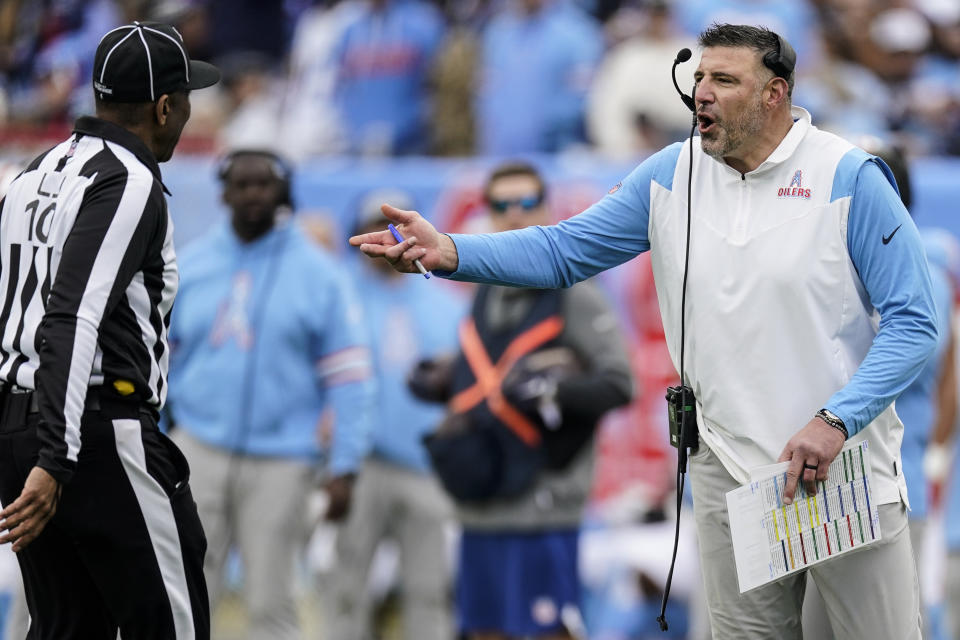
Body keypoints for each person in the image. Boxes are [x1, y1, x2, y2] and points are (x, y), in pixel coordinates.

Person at [352, 24, 939, 639]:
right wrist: (450, 249)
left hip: (834, 469)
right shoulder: (670, 174)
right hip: (729, 471)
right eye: (700, 77)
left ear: (775, 94)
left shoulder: (849, 176)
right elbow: (563, 251)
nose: (702, 94)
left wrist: (836, 418)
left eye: (725, 80)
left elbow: (915, 321)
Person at [0, 21, 219, 639]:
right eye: (185, 99)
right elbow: (73, 316)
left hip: (21, 426)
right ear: (164, 105)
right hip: (90, 432)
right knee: (173, 627)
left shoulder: (33, 171)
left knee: (67, 628)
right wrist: (58, 457)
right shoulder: (126, 179)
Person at [412, 162, 632, 640]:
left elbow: (619, 384)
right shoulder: (484, 290)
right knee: (485, 631)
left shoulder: (575, 291)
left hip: (543, 501)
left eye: (528, 203)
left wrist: (549, 389)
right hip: (483, 498)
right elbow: (493, 375)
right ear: (487, 213)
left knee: (550, 631)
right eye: (502, 205)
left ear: (548, 208)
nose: (515, 215)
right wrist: (446, 378)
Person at [166, 149, 375, 640]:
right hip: (199, 447)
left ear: (284, 193)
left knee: (271, 599)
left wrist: (345, 464)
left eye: (264, 184)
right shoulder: (192, 265)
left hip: (284, 460)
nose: (254, 194)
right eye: (242, 184)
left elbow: (349, 377)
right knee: (188, 591)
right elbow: (160, 363)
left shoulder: (319, 273)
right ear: (223, 192)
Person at [326, 189, 466, 640]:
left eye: (393, 230)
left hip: (425, 467)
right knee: (348, 586)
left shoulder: (445, 304)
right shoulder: (337, 297)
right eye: (374, 228)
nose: (385, 240)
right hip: (359, 464)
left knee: (428, 589)